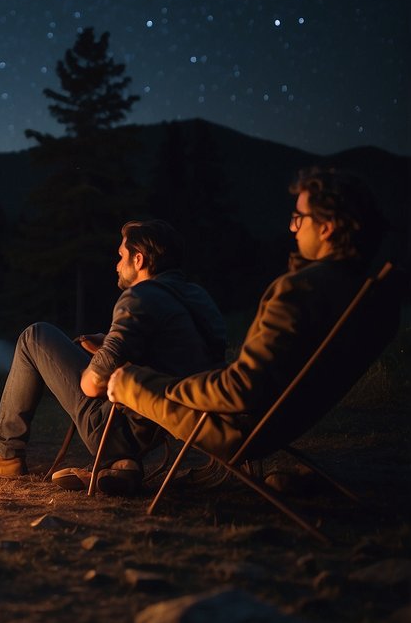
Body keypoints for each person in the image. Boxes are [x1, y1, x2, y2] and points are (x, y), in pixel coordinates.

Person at [107, 167, 390, 458]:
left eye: (299, 218)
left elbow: (240, 389)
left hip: (236, 429)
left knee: (124, 379)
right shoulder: (369, 297)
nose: (293, 228)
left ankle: (119, 458)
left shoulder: (298, 291)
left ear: (326, 227)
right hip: (281, 425)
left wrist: (152, 382)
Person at [0, 219, 226, 496]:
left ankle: (4, 452)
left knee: (34, 336)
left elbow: (91, 386)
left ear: (139, 259)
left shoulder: (139, 298)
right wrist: (111, 345)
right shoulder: (199, 299)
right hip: (174, 423)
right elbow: (171, 356)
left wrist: (99, 363)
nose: (117, 265)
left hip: (116, 429)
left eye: (121, 256)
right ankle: (121, 465)